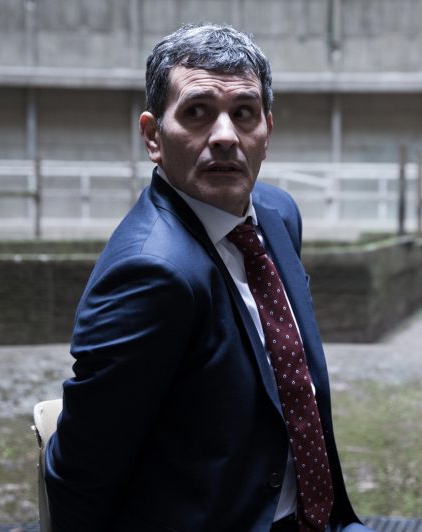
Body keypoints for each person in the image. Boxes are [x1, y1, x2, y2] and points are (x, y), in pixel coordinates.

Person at [44, 23, 371, 531]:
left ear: (267, 131)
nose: (224, 136)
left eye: (243, 113)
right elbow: (80, 476)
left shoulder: (278, 216)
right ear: (153, 136)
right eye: (196, 112)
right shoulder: (149, 272)